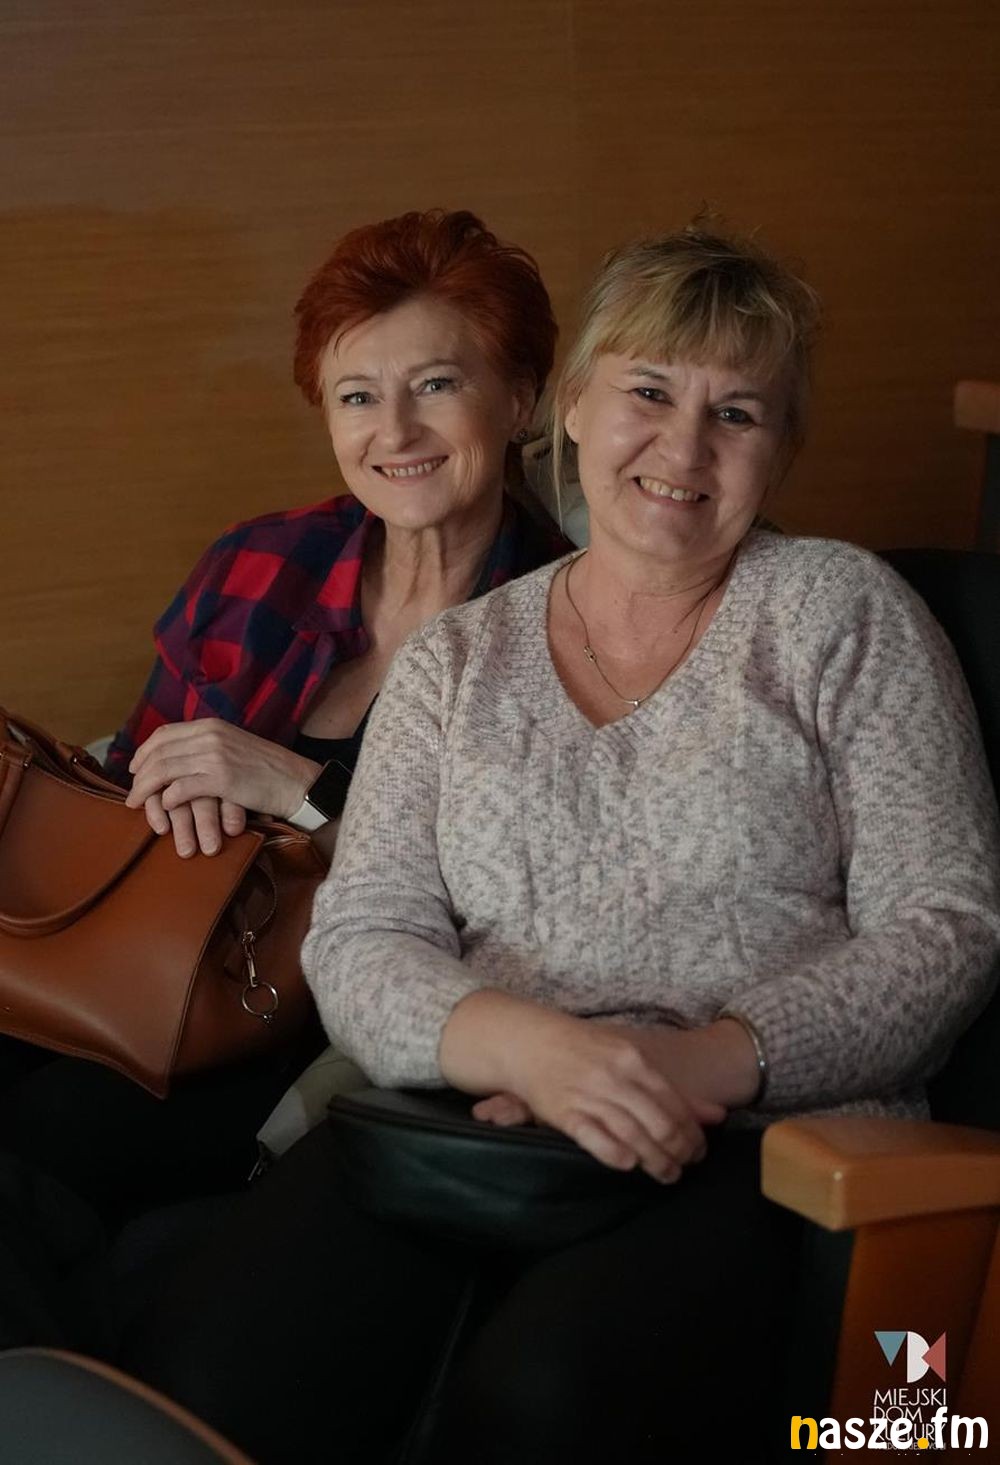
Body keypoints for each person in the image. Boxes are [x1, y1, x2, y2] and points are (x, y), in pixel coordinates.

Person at [116, 225, 1000, 1463]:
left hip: (750, 1141)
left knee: (545, 1402)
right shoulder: (456, 658)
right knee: (212, 1369)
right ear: (572, 408)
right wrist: (529, 1047)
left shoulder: (845, 616)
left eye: (736, 412)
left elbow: (946, 927)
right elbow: (362, 933)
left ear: (781, 447)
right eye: (648, 393)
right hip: (468, 1115)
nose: (681, 449)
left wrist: (705, 1060)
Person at [0, 209, 567, 1224]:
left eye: (437, 385)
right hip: (137, 959)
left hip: (302, 1024)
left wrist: (299, 791)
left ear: (519, 398)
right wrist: (165, 790)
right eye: (358, 396)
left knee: (43, 1149)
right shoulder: (261, 562)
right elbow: (123, 788)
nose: (394, 432)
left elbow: (523, 916)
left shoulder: (567, 628)